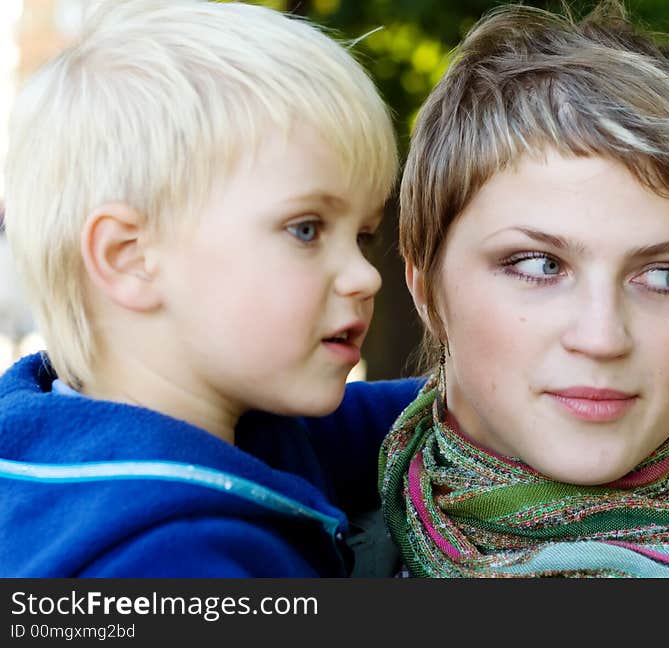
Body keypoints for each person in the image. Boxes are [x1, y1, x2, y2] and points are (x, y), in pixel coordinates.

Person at [0, 0, 422, 577]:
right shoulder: (165, 562)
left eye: (365, 236)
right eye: (306, 230)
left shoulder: (229, 419)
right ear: (131, 259)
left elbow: (401, 417)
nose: (366, 275)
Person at [379, 1, 669, 578]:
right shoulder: (272, 541)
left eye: (664, 276)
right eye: (539, 265)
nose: (602, 337)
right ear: (426, 290)